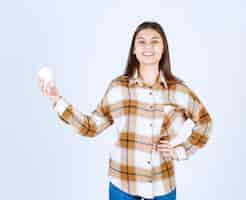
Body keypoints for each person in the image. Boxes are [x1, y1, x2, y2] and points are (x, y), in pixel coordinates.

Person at [38, 21, 213, 200]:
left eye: (155, 41)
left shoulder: (179, 91)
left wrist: (180, 151)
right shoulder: (118, 88)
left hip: (162, 187)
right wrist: (57, 101)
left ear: (163, 49)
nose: (148, 47)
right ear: (134, 50)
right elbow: (91, 127)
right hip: (122, 186)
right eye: (141, 42)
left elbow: (205, 121)